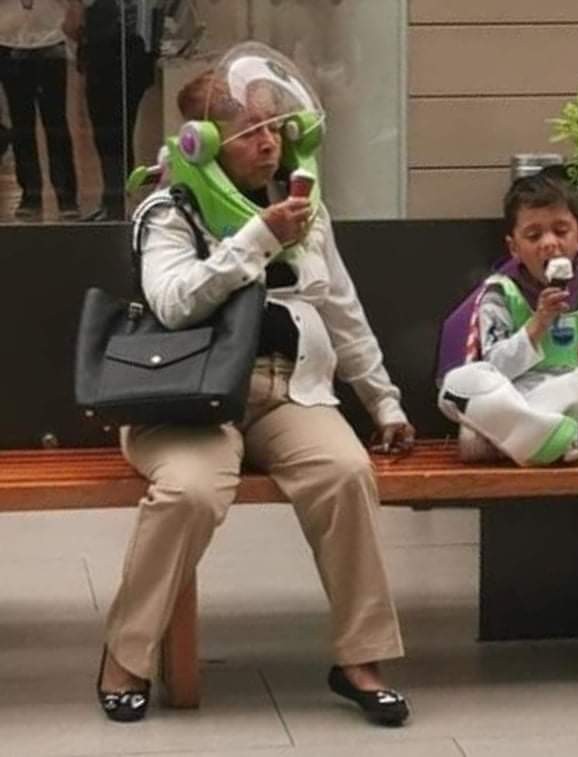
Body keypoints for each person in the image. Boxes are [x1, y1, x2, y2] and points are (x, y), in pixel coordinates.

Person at [96, 43, 414, 726]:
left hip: (288, 387)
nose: (271, 143)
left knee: (344, 471)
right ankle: (126, 653)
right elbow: (176, 300)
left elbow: (341, 308)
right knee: (190, 490)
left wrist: (383, 400)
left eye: (277, 127)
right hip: (188, 396)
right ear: (206, 144)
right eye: (252, 133)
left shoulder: (300, 206)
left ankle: (360, 657)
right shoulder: (169, 210)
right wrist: (256, 240)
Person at [439, 174, 578, 468]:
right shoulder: (499, 292)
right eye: (534, 236)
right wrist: (537, 324)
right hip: (518, 397)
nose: (549, 243)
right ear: (514, 247)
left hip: (571, 399)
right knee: (458, 384)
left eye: (560, 231)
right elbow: (496, 368)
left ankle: (522, 443)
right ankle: (576, 444)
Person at [63, 0, 160, 220]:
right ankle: (114, 199)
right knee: (112, 135)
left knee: (113, 135)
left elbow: (73, 25)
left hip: (117, 58)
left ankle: (117, 200)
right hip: (112, 57)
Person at [0, 0, 79, 220]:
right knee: (21, 125)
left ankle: (66, 196)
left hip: (51, 39)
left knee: (56, 124)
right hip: (8, 40)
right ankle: (30, 195)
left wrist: (74, 17)